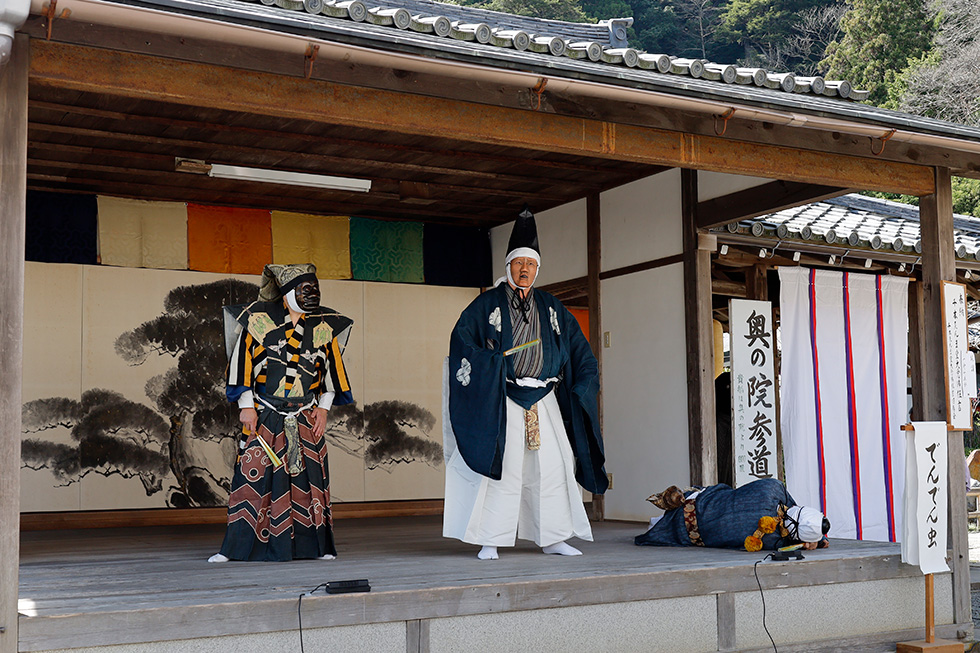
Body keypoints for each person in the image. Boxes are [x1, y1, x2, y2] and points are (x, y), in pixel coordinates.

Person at [443, 207, 608, 560]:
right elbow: (462, 344)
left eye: (530, 264)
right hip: (504, 397)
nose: (524, 270)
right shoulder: (485, 304)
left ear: (537, 269)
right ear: (508, 267)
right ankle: (491, 537)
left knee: (553, 467)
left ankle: (553, 537)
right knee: (502, 467)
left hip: (544, 397)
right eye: (518, 263)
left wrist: (582, 384)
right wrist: (490, 364)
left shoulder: (552, 307)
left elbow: (580, 351)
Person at [208, 263, 353, 562]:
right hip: (266, 415)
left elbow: (331, 376)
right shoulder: (258, 324)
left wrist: (323, 411)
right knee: (252, 479)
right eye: (305, 289)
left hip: (306, 416)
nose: (313, 294)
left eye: (316, 289)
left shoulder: (324, 328)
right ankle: (238, 548)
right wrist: (246, 406)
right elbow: (242, 367)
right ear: (287, 294)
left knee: (309, 482)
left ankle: (315, 547)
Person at [635, 478, 830, 551]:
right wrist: (815, 541)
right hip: (689, 534)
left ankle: (663, 518)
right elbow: (791, 545)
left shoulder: (773, 488)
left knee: (726, 496)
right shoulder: (771, 540)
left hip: (697, 503)